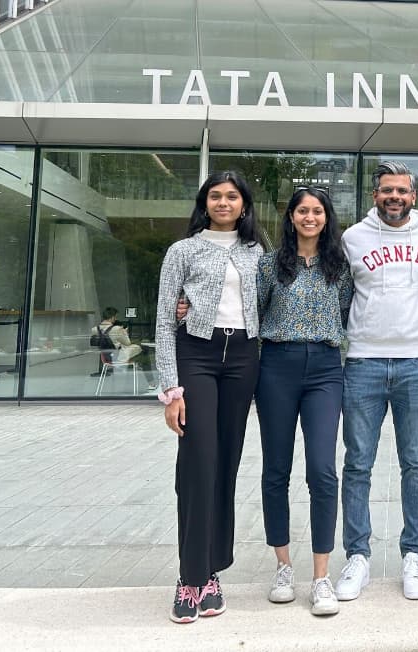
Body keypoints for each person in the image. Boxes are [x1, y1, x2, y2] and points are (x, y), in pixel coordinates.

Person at [155, 171, 263, 624]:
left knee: (226, 466)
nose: (223, 203)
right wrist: (170, 390)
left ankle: (214, 570)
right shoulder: (183, 250)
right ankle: (189, 576)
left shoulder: (259, 252)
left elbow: (273, 304)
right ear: (205, 203)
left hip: (243, 357)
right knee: (197, 465)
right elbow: (164, 318)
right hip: (196, 354)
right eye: (215, 196)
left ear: (243, 204)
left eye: (231, 196)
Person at [334, 161, 418, 602]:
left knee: (414, 462)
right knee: (358, 462)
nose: (394, 197)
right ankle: (357, 555)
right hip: (362, 361)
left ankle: (412, 554)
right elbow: (336, 290)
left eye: (401, 190)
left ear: (413, 196)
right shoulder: (353, 238)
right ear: (375, 195)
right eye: (386, 190)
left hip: (416, 362)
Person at [256, 187, 352, 617]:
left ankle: (321, 576)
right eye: (302, 211)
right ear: (291, 217)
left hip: (326, 369)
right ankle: (282, 567)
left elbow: (346, 312)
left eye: (317, 211)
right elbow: (252, 312)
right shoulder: (270, 264)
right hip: (277, 365)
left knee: (322, 468)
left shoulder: (339, 266)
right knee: (276, 468)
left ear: (326, 218)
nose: (310, 217)